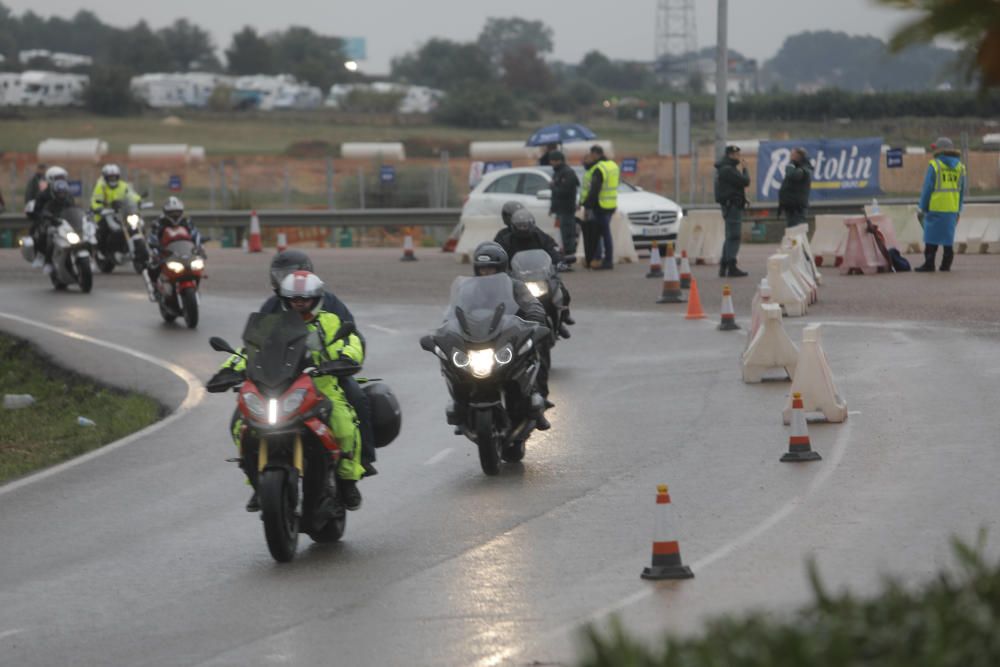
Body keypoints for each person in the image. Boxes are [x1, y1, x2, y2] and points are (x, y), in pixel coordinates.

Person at [215, 270, 366, 511]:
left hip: (320, 385)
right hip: (278, 387)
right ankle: (257, 484)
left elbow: (349, 342)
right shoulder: (271, 324)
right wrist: (228, 370)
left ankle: (348, 481)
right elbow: (248, 351)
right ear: (285, 300)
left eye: (304, 299)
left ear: (316, 299)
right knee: (239, 425)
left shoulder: (329, 321)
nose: (299, 304)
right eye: (294, 299)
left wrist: (346, 358)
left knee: (345, 426)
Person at [259, 249, 378, 478]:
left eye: (290, 274)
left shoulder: (327, 301)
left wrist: (343, 359)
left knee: (355, 396)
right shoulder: (272, 305)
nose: (285, 280)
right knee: (245, 412)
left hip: (325, 371)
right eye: (280, 274)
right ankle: (256, 470)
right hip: (283, 375)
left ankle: (364, 458)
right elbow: (256, 341)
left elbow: (350, 334)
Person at [471, 241, 551, 430]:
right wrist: (447, 327)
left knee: (536, 352)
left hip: (510, 337)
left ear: (500, 268)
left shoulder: (515, 286)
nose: (486, 273)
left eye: (490, 269)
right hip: (481, 339)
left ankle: (538, 403)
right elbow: (455, 310)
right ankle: (460, 405)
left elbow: (532, 305)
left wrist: (536, 320)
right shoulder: (470, 288)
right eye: (482, 270)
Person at [494, 208, 574, 338]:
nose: (523, 228)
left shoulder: (540, 236)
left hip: (541, 275)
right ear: (513, 226)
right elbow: (499, 254)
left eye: (525, 225)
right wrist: (500, 268)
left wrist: (559, 261)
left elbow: (552, 248)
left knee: (562, 290)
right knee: (504, 297)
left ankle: (561, 319)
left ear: (532, 224)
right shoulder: (506, 240)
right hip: (518, 277)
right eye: (520, 226)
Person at [915, 137, 967, 273]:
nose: (934, 150)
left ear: (941, 149)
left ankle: (929, 264)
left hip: (935, 207)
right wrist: (958, 209)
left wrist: (922, 206)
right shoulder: (960, 167)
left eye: (935, 148)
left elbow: (927, 189)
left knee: (931, 237)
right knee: (947, 238)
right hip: (951, 209)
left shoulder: (935, 165)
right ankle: (946, 265)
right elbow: (961, 191)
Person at [145, 196, 204, 291]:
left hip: (186, 253)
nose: (175, 215)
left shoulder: (187, 222)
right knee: (152, 266)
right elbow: (152, 238)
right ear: (166, 213)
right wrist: (155, 251)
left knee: (198, 264)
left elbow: (196, 235)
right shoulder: (158, 223)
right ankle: (155, 286)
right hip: (165, 253)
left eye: (177, 212)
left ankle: (195, 284)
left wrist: (199, 247)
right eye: (172, 213)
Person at [714, 145, 751, 277]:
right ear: (730, 155)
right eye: (736, 155)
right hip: (732, 206)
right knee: (734, 236)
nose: (739, 157)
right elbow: (745, 181)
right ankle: (731, 265)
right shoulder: (727, 169)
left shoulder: (726, 168)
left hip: (730, 205)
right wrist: (745, 169)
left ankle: (724, 265)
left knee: (730, 236)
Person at [582, 145, 619, 270]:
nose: (590, 157)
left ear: (596, 154)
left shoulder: (599, 169)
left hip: (600, 205)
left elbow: (594, 190)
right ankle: (603, 259)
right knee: (604, 233)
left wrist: (587, 205)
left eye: (591, 155)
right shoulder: (613, 165)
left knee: (600, 234)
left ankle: (604, 260)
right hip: (611, 205)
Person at [90, 164, 140, 252]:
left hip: (122, 213)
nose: (112, 179)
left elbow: (131, 195)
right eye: (110, 177)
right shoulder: (101, 186)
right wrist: (98, 208)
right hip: (105, 215)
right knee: (104, 230)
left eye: (114, 177)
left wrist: (138, 201)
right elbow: (95, 200)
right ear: (105, 177)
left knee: (136, 225)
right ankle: (102, 251)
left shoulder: (123, 185)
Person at [33, 174, 76, 272]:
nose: (62, 195)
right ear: (55, 193)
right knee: (50, 238)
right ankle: (48, 262)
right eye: (59, 193)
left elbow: (74, 211)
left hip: (67, 226)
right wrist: (50, 218)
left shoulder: (69, 202)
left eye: (63, 193)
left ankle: (89, 259)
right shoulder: (50, 203)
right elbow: (44, 212)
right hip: (55, 225)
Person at [548, 150, 580, 266]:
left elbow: (565, 192)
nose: (551, 163)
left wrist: (553, 187)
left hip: (567, 209)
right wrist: (552, 207)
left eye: (553, 160)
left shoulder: (568, 173)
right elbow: (556, 194)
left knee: (567, 235)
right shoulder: (557, 173)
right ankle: (563, 259)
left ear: (559, 160)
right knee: (561, 236)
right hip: (559, 210)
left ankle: (569, 260)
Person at [778, 147, 813, 229]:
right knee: (792, 230)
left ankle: (798, 242)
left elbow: (793, 175)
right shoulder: (796, 167)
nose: (790, 157)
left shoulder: (804, 169)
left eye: (792, 155)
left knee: (796, 230)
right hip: (791, 207)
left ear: (798, 156)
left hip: (797, 208)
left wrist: (790, 164)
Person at [578, 153, 602, 268]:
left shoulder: (595, 171)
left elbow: (593, 191)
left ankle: (594, 258)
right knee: (590, 235)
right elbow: (585, 190)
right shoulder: (589, 172)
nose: (584, 163)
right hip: (587, 206)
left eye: (586, 161)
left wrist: (587, 204)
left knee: (593, 235)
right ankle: (590, 259)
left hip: (592, 206)